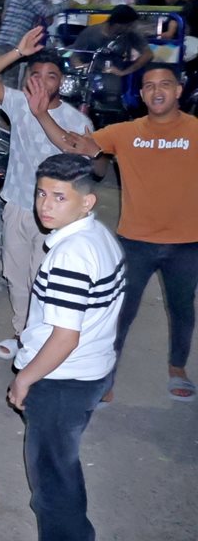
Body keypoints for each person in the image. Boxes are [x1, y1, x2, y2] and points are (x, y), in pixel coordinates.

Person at [34, 63, 198, 403]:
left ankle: (177, 368)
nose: (157, 91)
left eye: (165, 84)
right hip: (135, 242)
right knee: (119, 313)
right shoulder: (125, 132)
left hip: (187, 242)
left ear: (178, 91)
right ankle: (105, 376)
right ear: (141, 95)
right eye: (149, 86)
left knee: (182, 308)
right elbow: (72, 144)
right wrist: (41, 114)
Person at [7, 154, 124, 541]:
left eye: (60, 197)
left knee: (53, 485)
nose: (45, 206)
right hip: (89, 372)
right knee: (62, 462)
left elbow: (65, 337)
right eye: (42, 194)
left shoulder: (70, 256)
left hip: (62, 381)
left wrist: (24, 379)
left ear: (86, 201)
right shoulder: (98, 236)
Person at [0, 27, 92, 360]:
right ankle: (21, 333)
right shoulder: (18, 104)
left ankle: (42, 340)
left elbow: (77, 153)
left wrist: (42, 114)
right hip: (17, 205)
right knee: (15, 276)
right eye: (35, 74)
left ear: (61, 82)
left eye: (51, 76)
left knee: (44, 280)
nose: (42, 81)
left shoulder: (74, 119)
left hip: (54, 215)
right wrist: (18, 53)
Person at [0, 0, 61, 87]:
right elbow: (46, 12)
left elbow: (47, 20)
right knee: (10, 82)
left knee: (14, 80)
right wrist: (69, 4)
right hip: (12, 42)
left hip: (14, 42)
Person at [70, 4, 152, 80]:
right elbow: (75, 56)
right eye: (129, 25)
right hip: (90, 76)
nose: (130, 28)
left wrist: (124, 72)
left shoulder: (131, 33)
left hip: (113, 78)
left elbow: (148, 54)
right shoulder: (90, 32)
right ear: (118, 24)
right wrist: (82, 67)